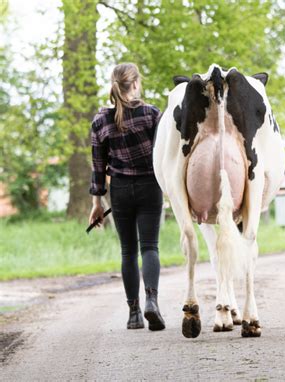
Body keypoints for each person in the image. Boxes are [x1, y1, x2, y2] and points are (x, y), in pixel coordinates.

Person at [88, 63, 165, 331]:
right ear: (135, 84)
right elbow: (165, 156)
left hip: (119, 191)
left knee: (128, 251)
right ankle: (151, 302)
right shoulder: (152, 114)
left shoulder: (100, 122)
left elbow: (98, 168)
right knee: (150, 247)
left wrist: (97, 204)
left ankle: (133, 314)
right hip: (150, 186)